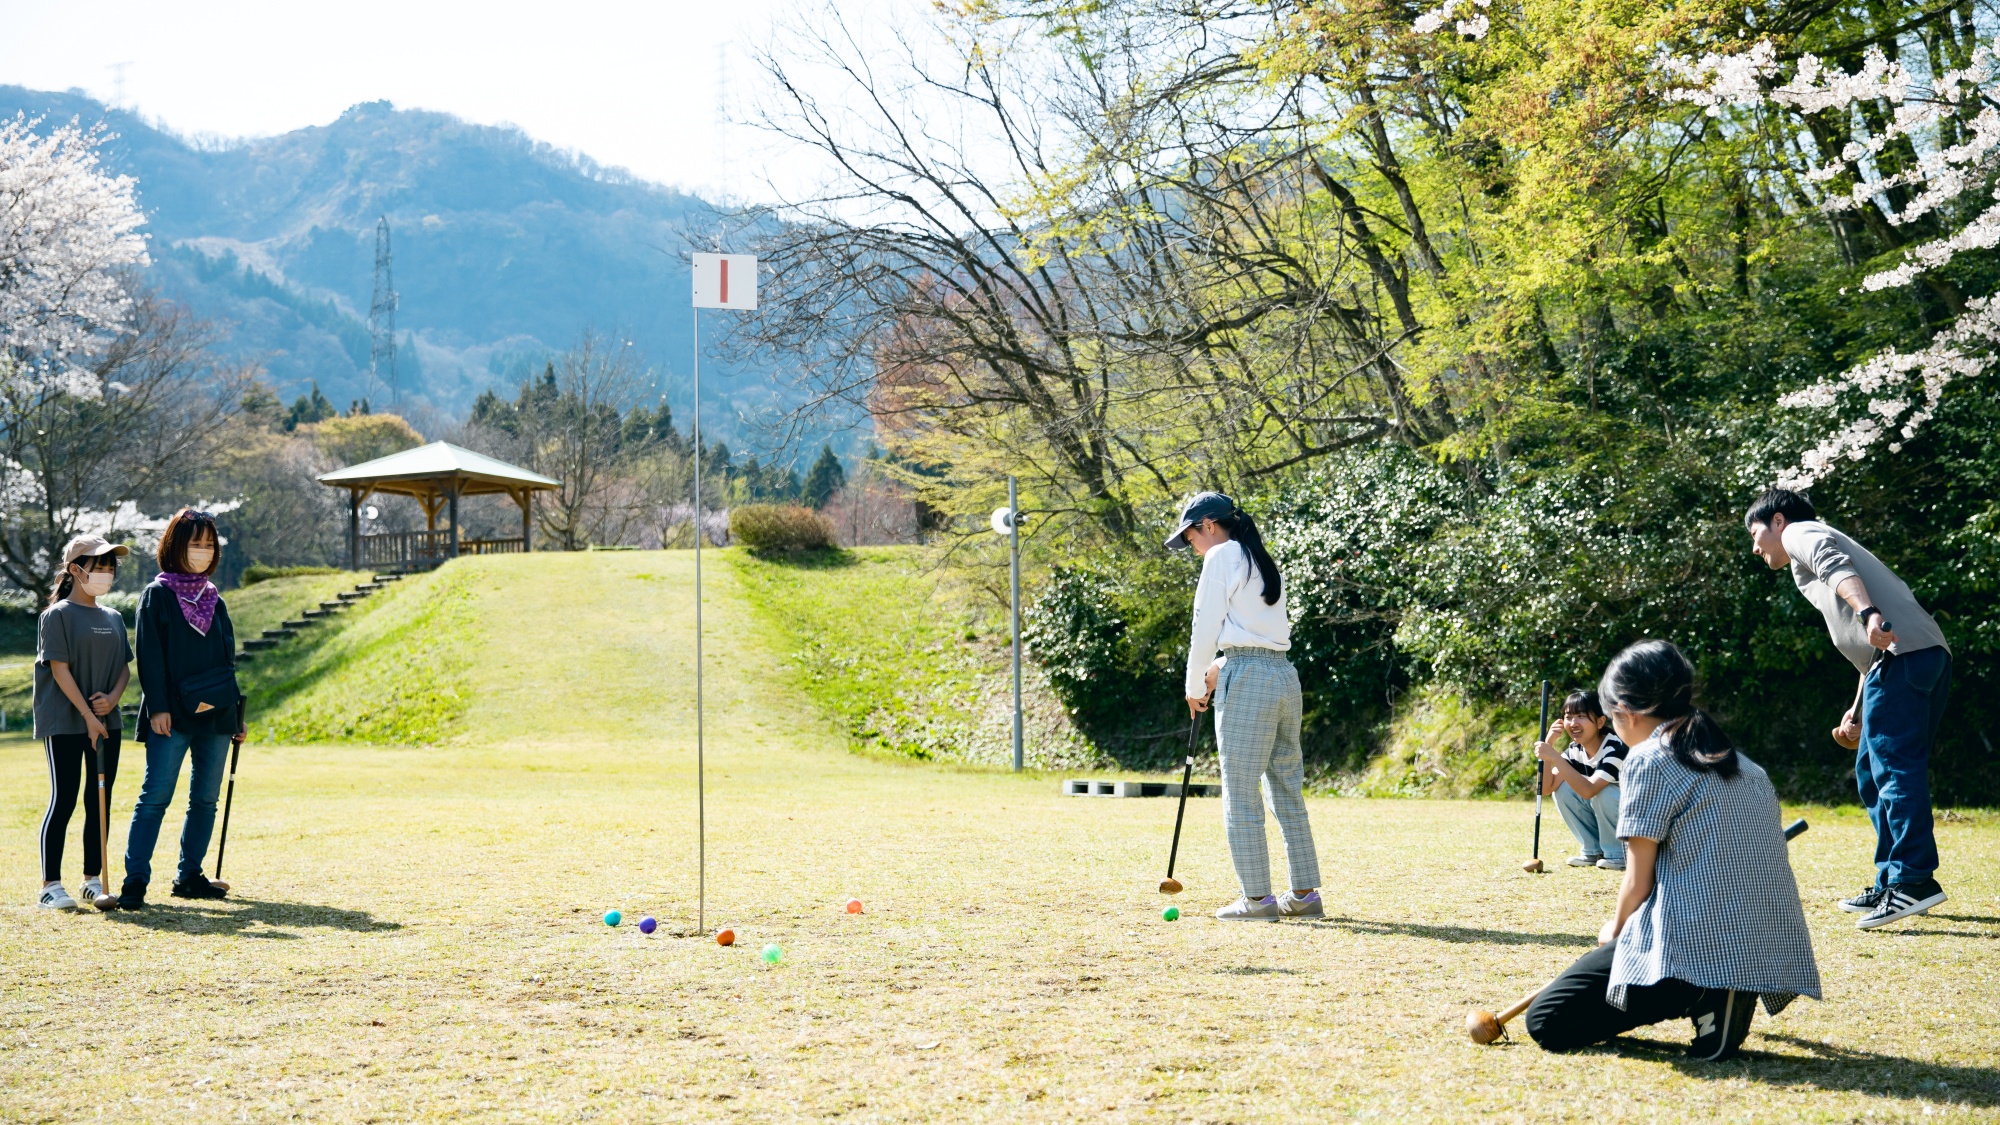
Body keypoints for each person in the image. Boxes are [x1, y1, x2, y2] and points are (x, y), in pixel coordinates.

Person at [1525, 640, 1820, 1060]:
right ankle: (1718, 986)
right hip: (1763, 939)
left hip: (1695, 935)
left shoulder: (1647, 759)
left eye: (1610, 718)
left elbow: (1638, 880)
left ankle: (1699, 991)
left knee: (1547, 1021)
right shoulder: (1746, 765)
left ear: (1625, 712)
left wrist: (1616, 928)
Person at [1744, 488, 1951, 929]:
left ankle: (1914, 880)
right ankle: (1892, 879)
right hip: (1902, 659)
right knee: (1871, 772)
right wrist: (1856, 710)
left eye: (1756, 532)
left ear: (1777, 521)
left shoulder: (1801, 531)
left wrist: (1869, 612)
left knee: (1894, 768)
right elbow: (1867, 649)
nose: (1755, 546)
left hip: (1904, 656)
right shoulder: (1805, 560)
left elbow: (1840, 575)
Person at [1167, 491, 1321, 922]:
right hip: (1284, 677)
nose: (1192, 547)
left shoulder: (1220, 557)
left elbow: (1205, 626)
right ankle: (1305, 895)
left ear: (1210, 526)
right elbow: (1258, 632)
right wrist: (1220, 665)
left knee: (1240, 790)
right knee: (1285, 787)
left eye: (1191, 537)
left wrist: (1194, 682)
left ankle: (1256, 899)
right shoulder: (1258, 557)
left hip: (1249, 679)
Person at [120, 508, 241, 910]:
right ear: (176, 545)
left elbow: (228, 661)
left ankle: (190, 875)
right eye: (196, 544)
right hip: (170, 714)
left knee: (206, 799)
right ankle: (135, 881)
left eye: (209, 545)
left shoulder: (214, 598)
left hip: (217, 716)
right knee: (155, 796)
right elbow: (149, 656)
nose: (204, 552)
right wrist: (157, 707)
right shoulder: (157, 594)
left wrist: (236, 716)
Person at [33, 536, 134, 910]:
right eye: (99, 566)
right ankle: (50, 885)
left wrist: (112, 700)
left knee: (99, 800)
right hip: (65, 722)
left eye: (110, 567)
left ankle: (93, 879)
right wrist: (89, 717)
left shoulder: (114, 617)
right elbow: (59, 671)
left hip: (108, 723)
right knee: (65, 798)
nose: (106, 573)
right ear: (76, 569)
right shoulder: (56, 615)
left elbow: (124, 667)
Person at [1534, 690, 1629, 870]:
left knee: (1604, 792)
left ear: (1600, 722)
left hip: (1642, 821)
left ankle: (1619, 854)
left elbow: (1589, 790)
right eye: (1569, 717)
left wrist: (1554, 756)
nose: (1574, 723)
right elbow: (1547, 788)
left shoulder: (1616, 747)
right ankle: (1593, 851)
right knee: (1563, 790)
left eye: (1581, 716)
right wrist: (1549, 747)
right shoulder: (1575, 750)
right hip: (1622, 815)